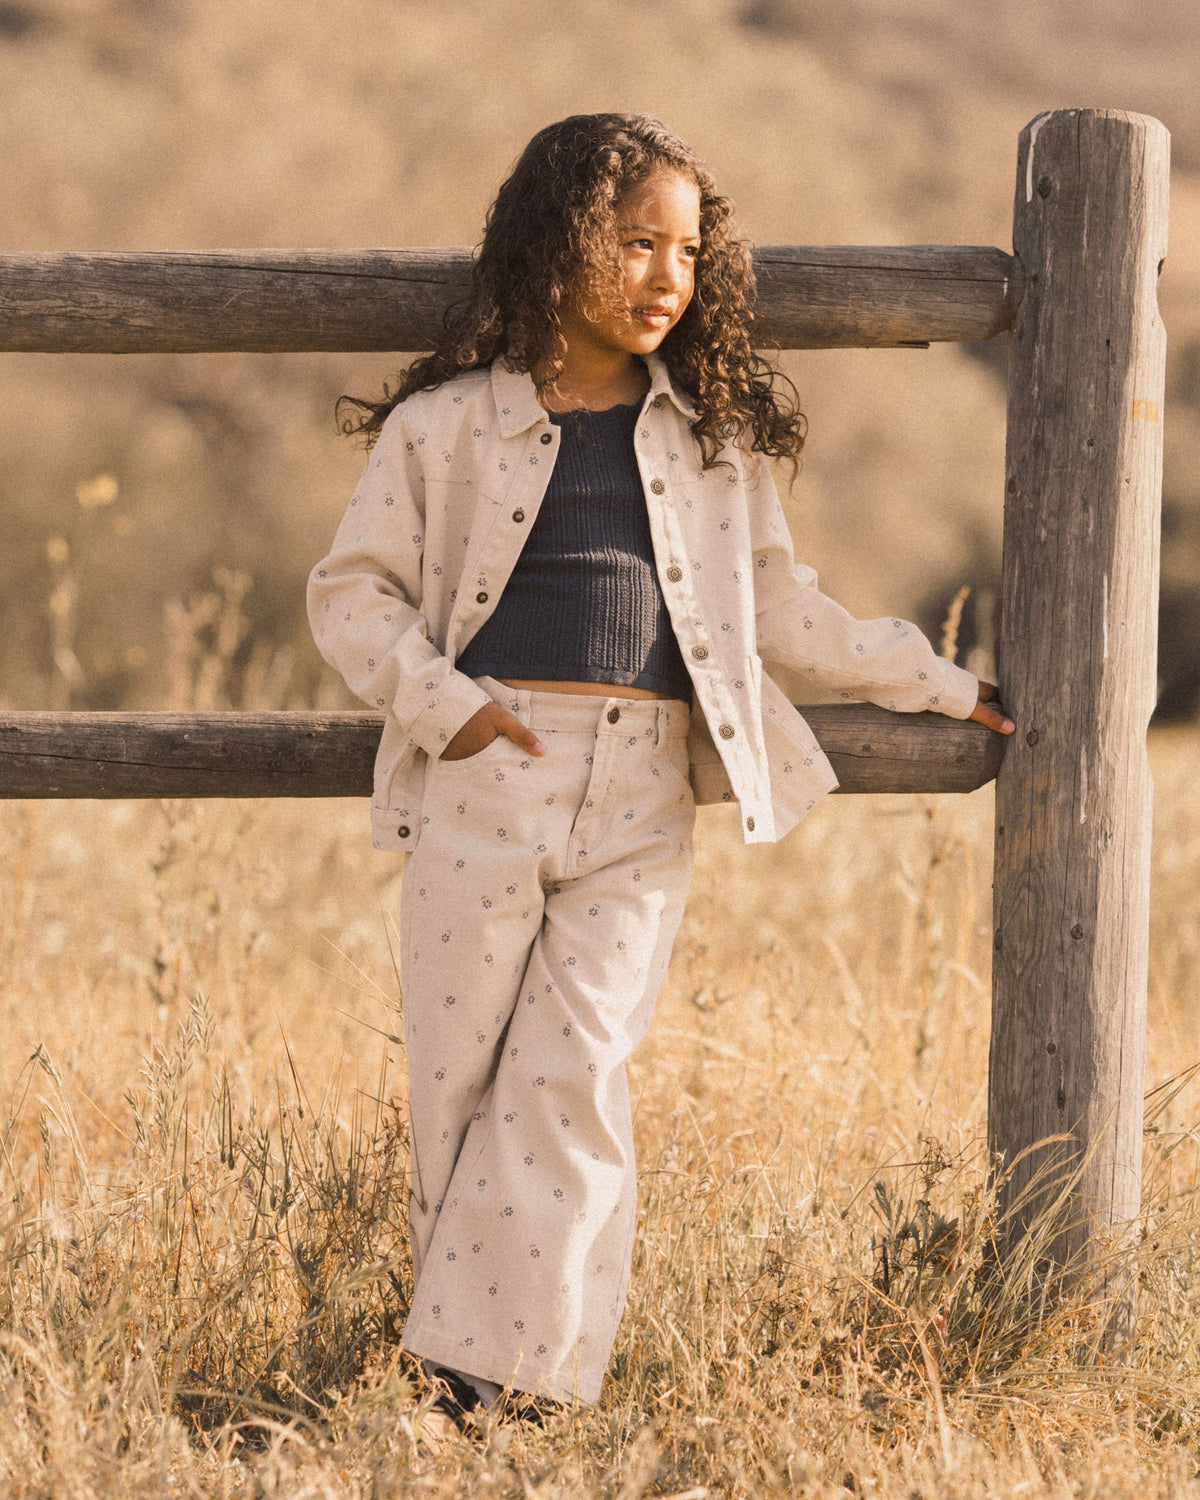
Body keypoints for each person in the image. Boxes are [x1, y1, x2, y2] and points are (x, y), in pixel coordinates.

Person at [307, 112, 1013, 1434]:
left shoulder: (710, 446)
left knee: (573, 1073)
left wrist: (937, 680)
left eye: (687, 251)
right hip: (489, 771)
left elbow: (782, 611)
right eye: (635, 242)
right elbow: (352, 595)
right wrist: (444, 707)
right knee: (461, 1084)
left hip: (638, 795)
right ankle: (456, 1383)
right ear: (553, 242)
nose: (664, 276)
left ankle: (524, 1388)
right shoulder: (449, 430)